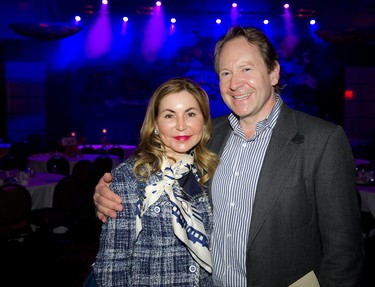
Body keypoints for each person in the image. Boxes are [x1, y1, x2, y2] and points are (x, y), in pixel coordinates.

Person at [93, 26, 364, 286]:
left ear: (273, 72)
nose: (235, 83)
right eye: (225, 73)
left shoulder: (322, 140)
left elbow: (344, 253)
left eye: (246, 69)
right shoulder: (207, 136)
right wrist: (111, 192)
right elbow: (159, 169)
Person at [93, 77, 219, 286]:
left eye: (190, 114)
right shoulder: (130, 176)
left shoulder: (210, 172)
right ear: (156, 125)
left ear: (204, 121)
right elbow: (112, 264)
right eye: (169, 115)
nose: (181, 125)